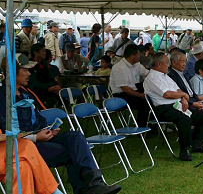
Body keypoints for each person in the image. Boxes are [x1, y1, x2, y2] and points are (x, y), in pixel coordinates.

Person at [0, 54, 122, 194]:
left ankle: (95, 184)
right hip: (24, 146)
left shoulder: (26, 93)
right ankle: (88, 190)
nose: (29, 73)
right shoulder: (3, 98)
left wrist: (49, 129)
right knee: (73, 151)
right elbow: (7, 132)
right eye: (25, 70)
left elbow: (39, 117)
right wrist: (35, 137)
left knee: (75, 137)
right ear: (13, 72)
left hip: (41, 137)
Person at [144, 53, 203, 161]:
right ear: (159, 64)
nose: (168, 65)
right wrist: (184, 96)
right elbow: (167, 94)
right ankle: (184, 150)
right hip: (163, 107)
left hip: (176, 104)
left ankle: (196, 143)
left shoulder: (165, 76)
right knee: (184, 119)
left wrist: (183, 98)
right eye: (167, 63)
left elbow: (177, 89)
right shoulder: (152, 77)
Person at [167, 53, 203, 150]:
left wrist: (197, 101)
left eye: (185, 61)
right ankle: (196, 142)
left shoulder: (182, 74)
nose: (184, 64)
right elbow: (178, 94)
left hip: (192, 99)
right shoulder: (171, 75)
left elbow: (191, 92)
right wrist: (193, 103)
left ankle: (199, 138)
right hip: (185, 102)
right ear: (174, 63)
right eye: (182, 62)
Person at [109, 44, 150, 127]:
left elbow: (149, 75)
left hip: (134, 89)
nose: (139, 56)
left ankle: (153, 124)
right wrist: (142, 96)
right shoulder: (118, 68)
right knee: (144, 103)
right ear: (132, 56)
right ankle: (142, 127)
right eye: (138, 54)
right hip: (121, 95)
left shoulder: (137, 65)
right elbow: (125, 89)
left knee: (154, 98)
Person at [29, 43, 62, 109]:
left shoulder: (45, 65)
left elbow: (50, 78)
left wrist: (56, 87)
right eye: (43, 51)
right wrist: (48, 88)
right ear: (36, 53)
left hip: (48, 92)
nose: (45, 53)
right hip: (36, 93)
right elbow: (33, 84)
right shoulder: (29, 66)